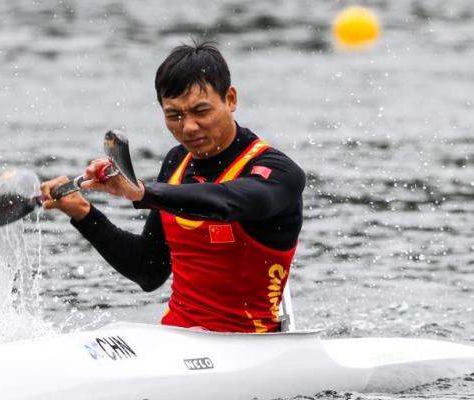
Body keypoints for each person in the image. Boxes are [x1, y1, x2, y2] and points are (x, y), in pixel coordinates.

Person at [40, 42, 305, 333]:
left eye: (200, 111)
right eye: (174, 115)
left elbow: (229, 201)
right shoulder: (177, 162)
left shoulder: (280, 172)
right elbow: (148, 270)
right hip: (176, 337)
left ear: (230, 99)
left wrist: (142, 192)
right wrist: (83, 213)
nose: (188, 127)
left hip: (249, 346)